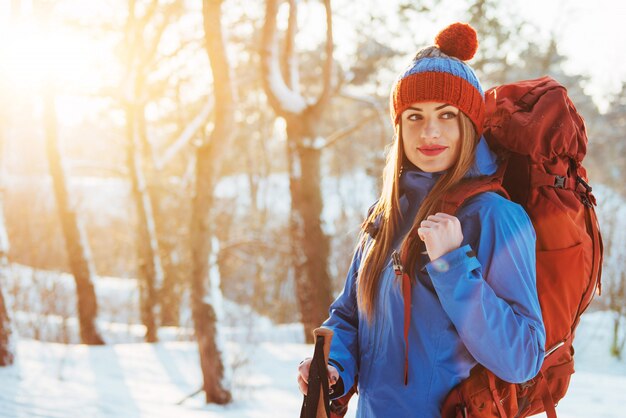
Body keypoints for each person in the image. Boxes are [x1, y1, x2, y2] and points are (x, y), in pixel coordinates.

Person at [297, 22, 546, 417]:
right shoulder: (386, 215)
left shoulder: (496, 217)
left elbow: (524, 357)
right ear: (399, 127)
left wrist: (453, 265)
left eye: (446, 114)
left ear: (470, 124)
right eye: (414, 116)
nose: (429, 131)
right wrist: (334, 368)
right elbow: (349, 314)